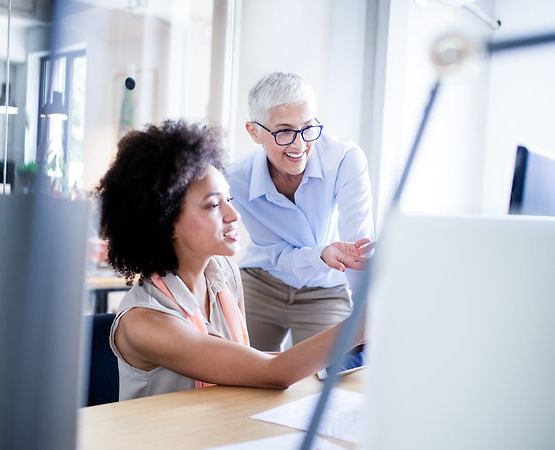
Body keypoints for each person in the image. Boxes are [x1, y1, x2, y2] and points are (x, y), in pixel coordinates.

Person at [94, 119, 365, 399]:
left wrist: (346, 351)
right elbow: (273, 372)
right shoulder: (146, 321)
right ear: (165, 220)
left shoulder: (223, 272)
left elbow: (246, 360)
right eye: (213, 205)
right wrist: (366, 321)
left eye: (229, 199)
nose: (233, 215)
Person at [226, 71, 374, 351]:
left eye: (308, 127)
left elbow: (359, 250)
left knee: (326, 381)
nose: (299, 144)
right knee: (238, 374)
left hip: (326, 290)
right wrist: (322, 253)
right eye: (284, 131)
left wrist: (367, 316)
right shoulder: (237, 180)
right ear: (254, 131)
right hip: (262, 282)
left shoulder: (344, 159)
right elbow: (278, 254)